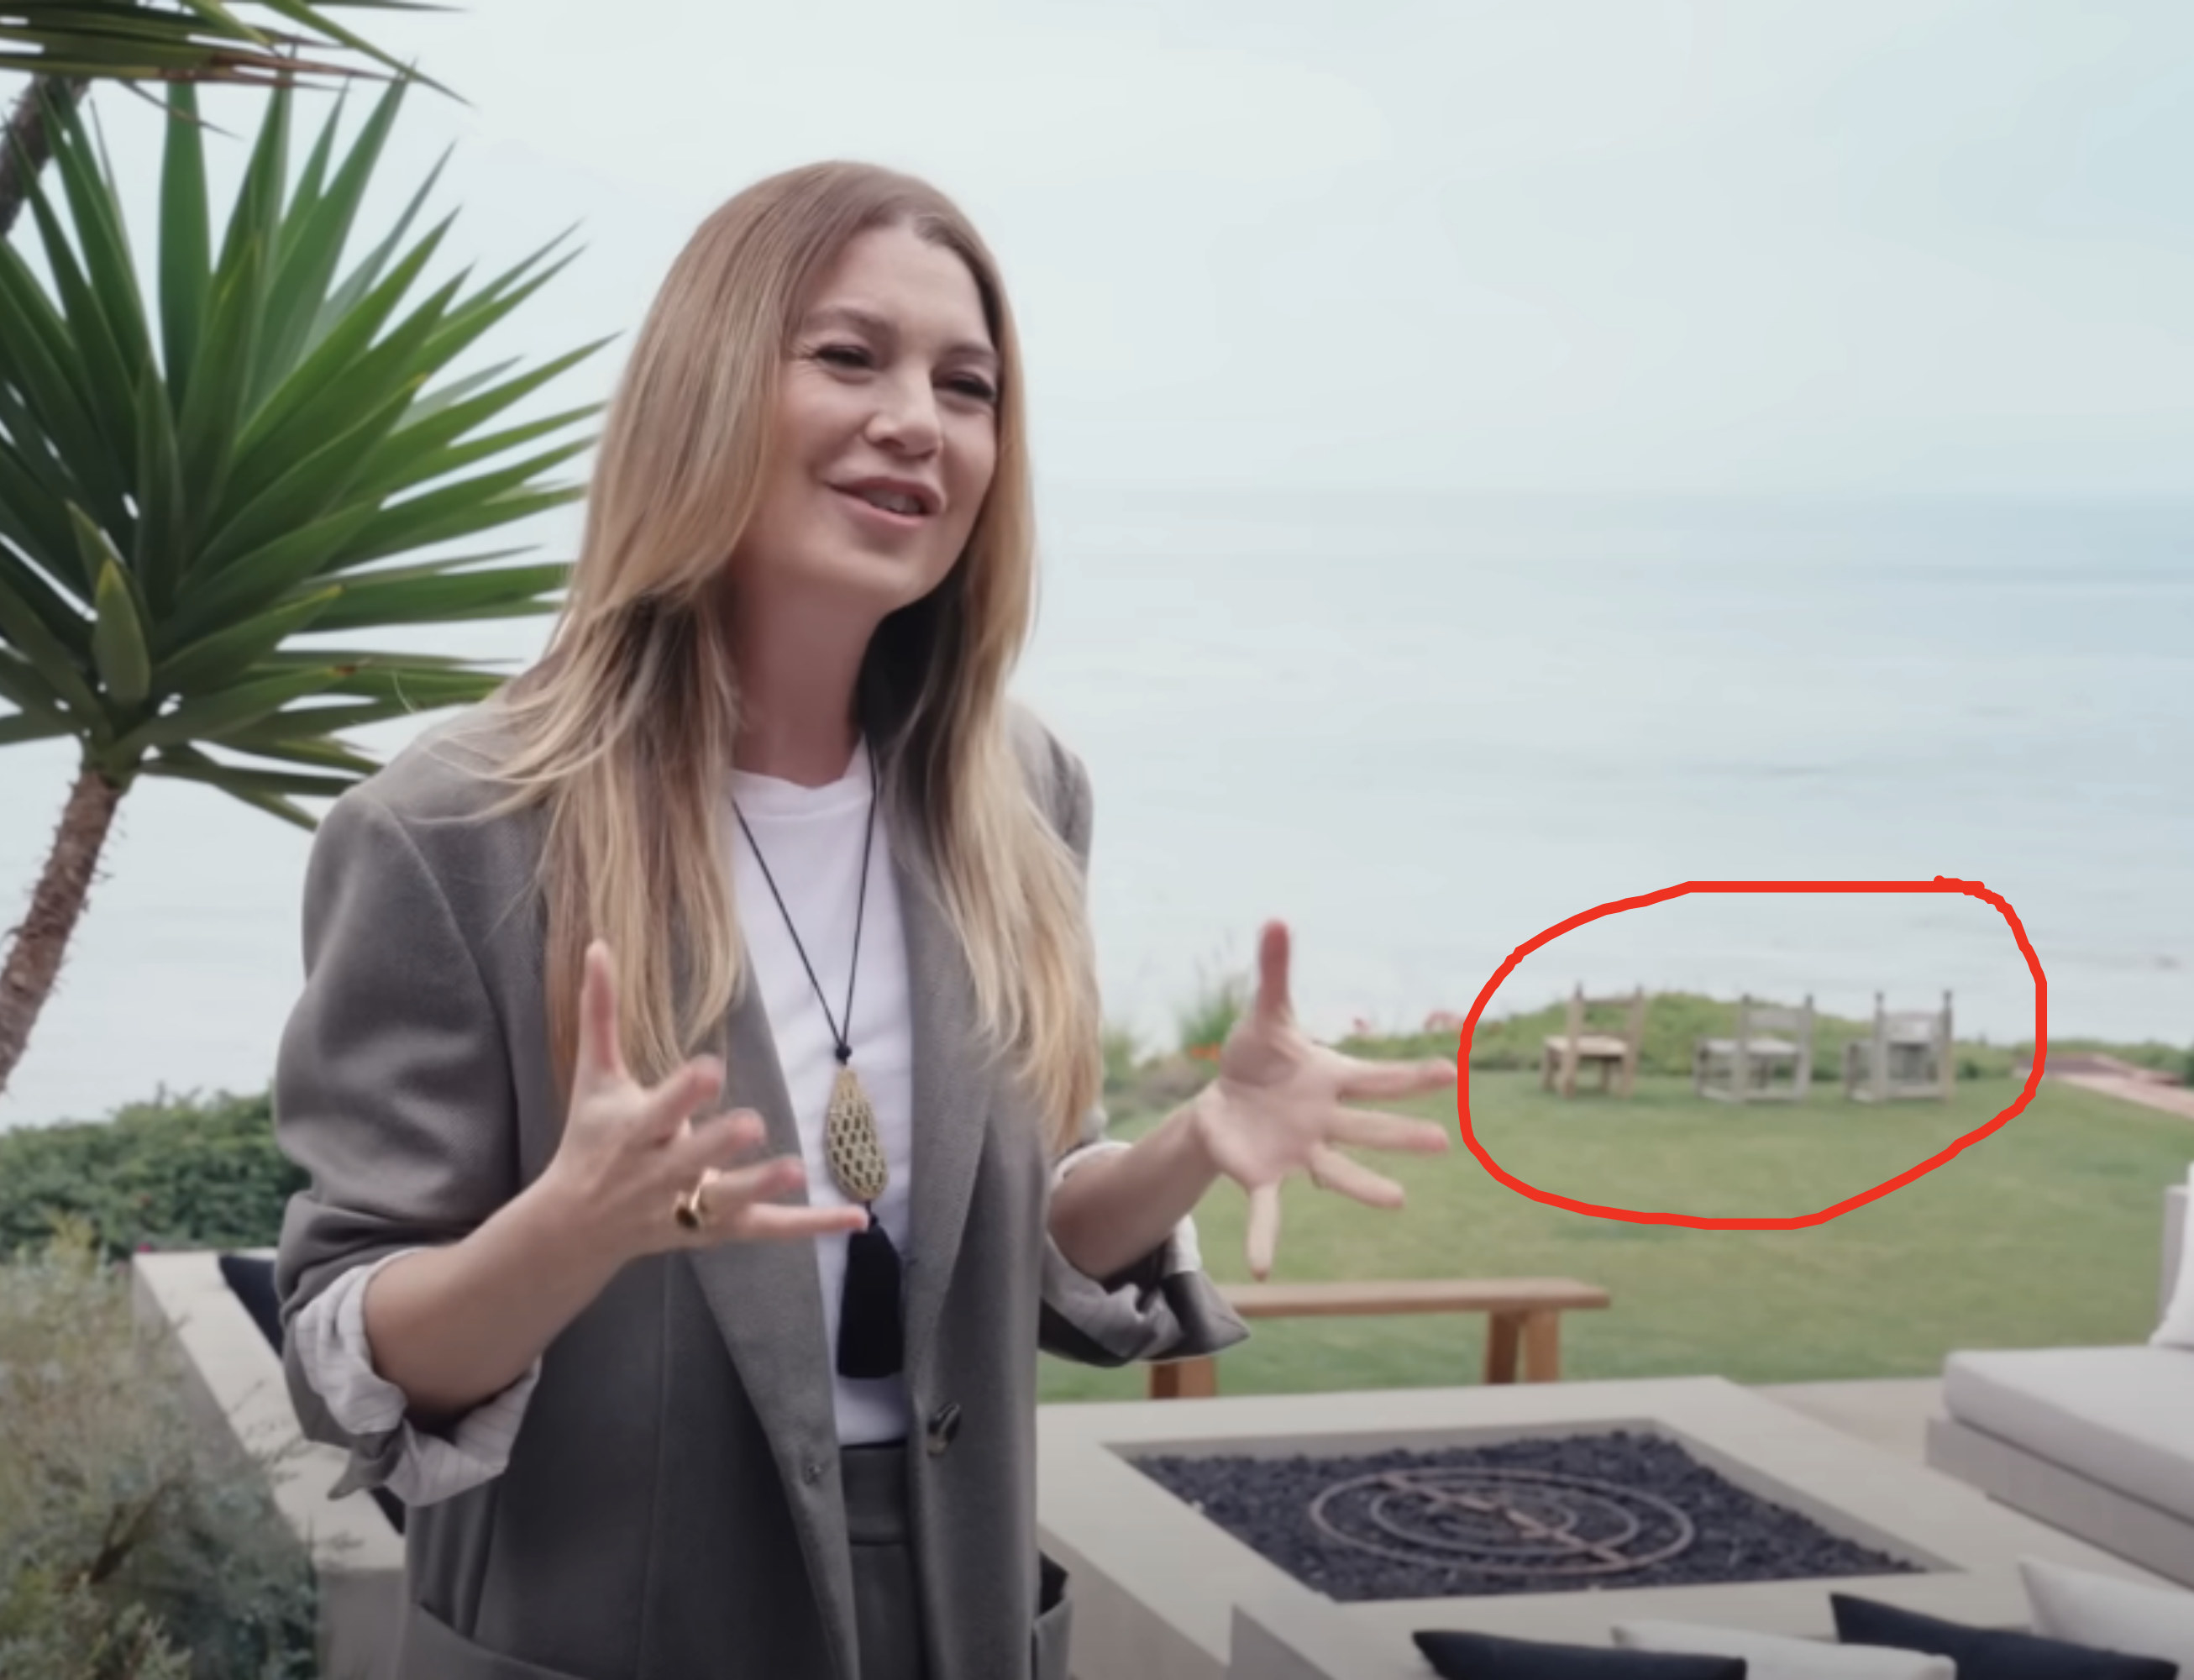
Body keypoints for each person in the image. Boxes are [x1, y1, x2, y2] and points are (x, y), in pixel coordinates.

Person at [272, 159, 1455, 1680]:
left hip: (958, 1615)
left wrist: (1181, 1151)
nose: (920, 418)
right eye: (850, 356)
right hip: (613, 1630)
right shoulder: (454, 830)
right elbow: (343, 1355)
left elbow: (989, 1243)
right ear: (705, 388)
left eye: (968, 386)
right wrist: (567, 1236)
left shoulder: (1021, 797)